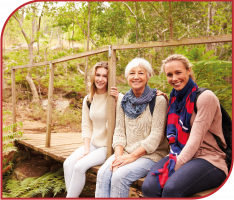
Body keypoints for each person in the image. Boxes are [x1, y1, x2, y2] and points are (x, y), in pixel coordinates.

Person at [142, 54, 228, 197]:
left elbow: (195, 140)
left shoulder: (205, 98)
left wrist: (173, 168)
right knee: (149, 187)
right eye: (169, 75)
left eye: (178, 72)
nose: (174, 78)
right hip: (178, 153)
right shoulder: (175, 99)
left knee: (171, 189)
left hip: (209, 159)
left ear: (188, 70)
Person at [95, 58, 170, 198]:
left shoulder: (158, 100)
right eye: (132, 73)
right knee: (103, 173)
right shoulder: (123, 100)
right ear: (127, 77)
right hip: (125, 153)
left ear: (148, 76)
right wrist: (118, 157)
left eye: (141, 73)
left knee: (119, 176)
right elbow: (119, 132)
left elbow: (156, 137)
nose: (136, 77)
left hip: (150, 155)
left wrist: (131, 157)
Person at [63, 61, 121, 197]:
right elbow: (86, 126)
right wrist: (87, 149)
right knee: (68, 164)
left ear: (109, 78)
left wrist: (117, 103)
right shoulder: (89, 99)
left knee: (79, 167)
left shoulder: (116, 98)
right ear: (93, 77)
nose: (100, 79)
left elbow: (120, 125)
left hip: (108, 147)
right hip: (94, 144)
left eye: (105, 76)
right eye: (98, 75)